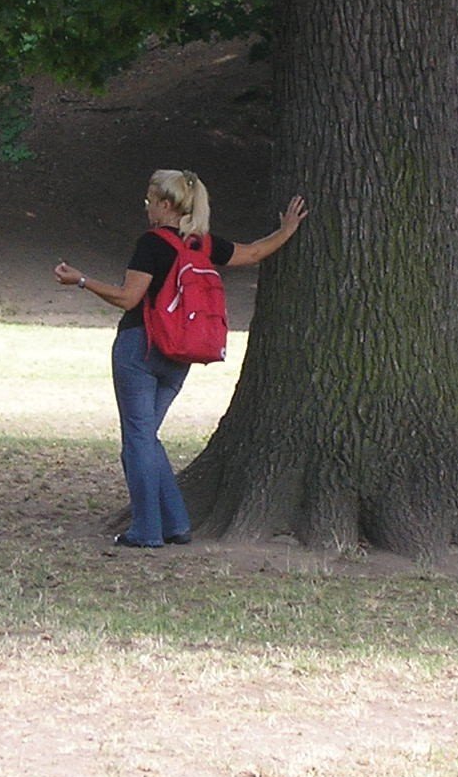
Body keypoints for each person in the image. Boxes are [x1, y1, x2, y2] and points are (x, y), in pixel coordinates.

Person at [55, 170, 308, 548]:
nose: (147, 208)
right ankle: (175, 523)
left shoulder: (152, 244)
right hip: (181, 355)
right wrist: (287, 230)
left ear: (166, 204)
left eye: (149, 201)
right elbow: (253, 252)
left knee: (138, 441)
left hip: (140, 348)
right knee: (146, 438)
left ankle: (146, 529)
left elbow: (129, 298)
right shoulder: (202, 245)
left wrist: (81, 280)